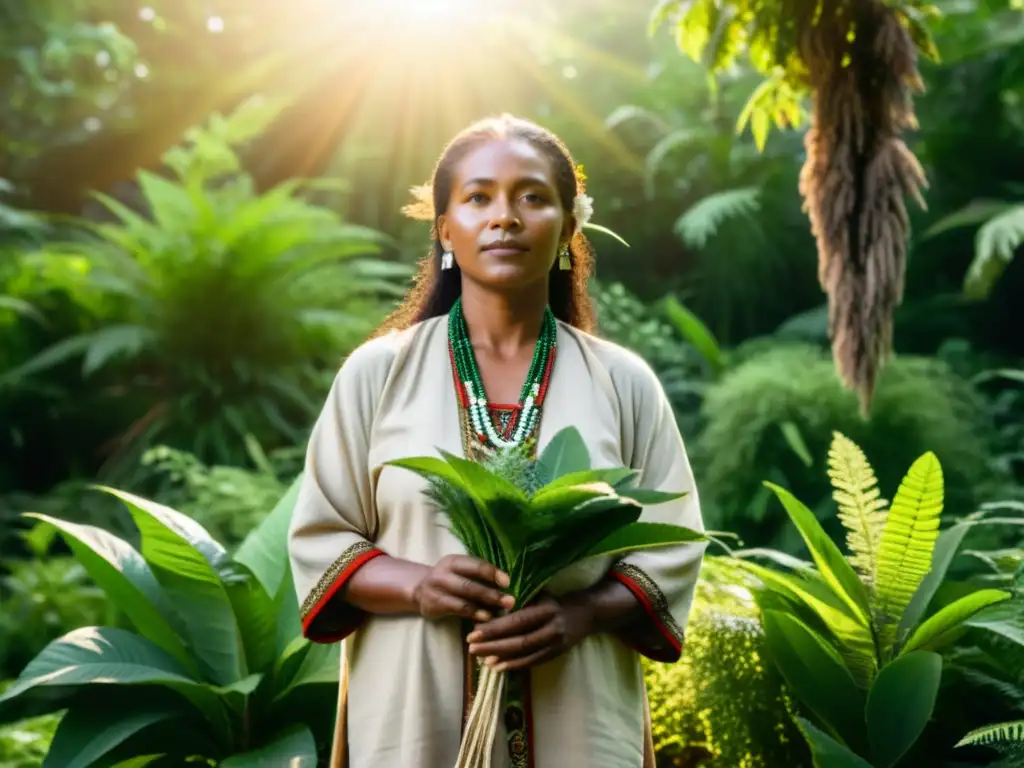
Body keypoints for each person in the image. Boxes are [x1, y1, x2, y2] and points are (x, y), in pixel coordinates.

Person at [287, 114, 707, 768]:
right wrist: (420, 586)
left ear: (569, 228)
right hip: (412, 711)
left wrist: (582, 615)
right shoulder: (377, 373)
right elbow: (322, 539)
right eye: (478, 197)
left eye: (532, 197)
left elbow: (671, 545)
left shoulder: (623, 382)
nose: (505, 217)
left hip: (581, 711)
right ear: (445, 229)